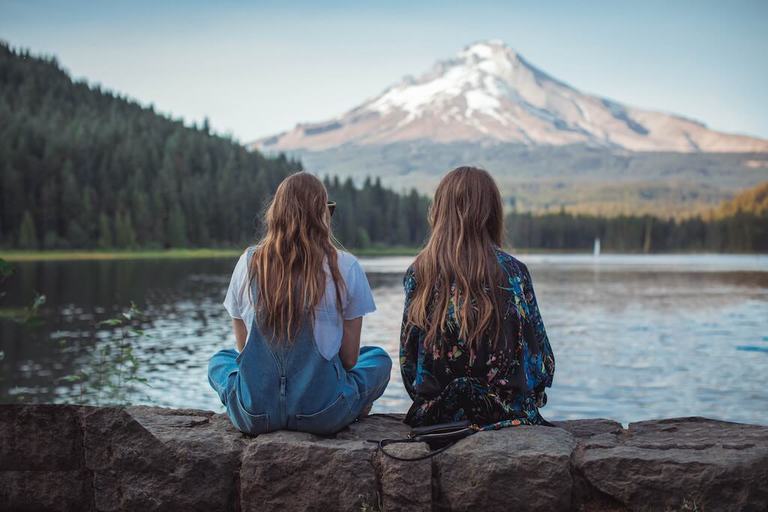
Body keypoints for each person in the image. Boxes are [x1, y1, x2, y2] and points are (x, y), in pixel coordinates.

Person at [208, 172, 391, 435]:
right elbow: (350, 360)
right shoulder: (346, 266)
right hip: (322, 414)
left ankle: (240, 402)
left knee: (220, 360)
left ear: (276, 214)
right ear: (323, 216)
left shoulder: (248, 262)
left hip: (256, 414)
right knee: (377, 358)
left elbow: (243, 352)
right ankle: (354, 402)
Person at [400, 166, 555, 427]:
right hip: (507, 414)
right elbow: (542, 363)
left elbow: (409, 365)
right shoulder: (515, 272)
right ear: (492, 214)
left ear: (439, 211)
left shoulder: (419, 273)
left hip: (437, 416)